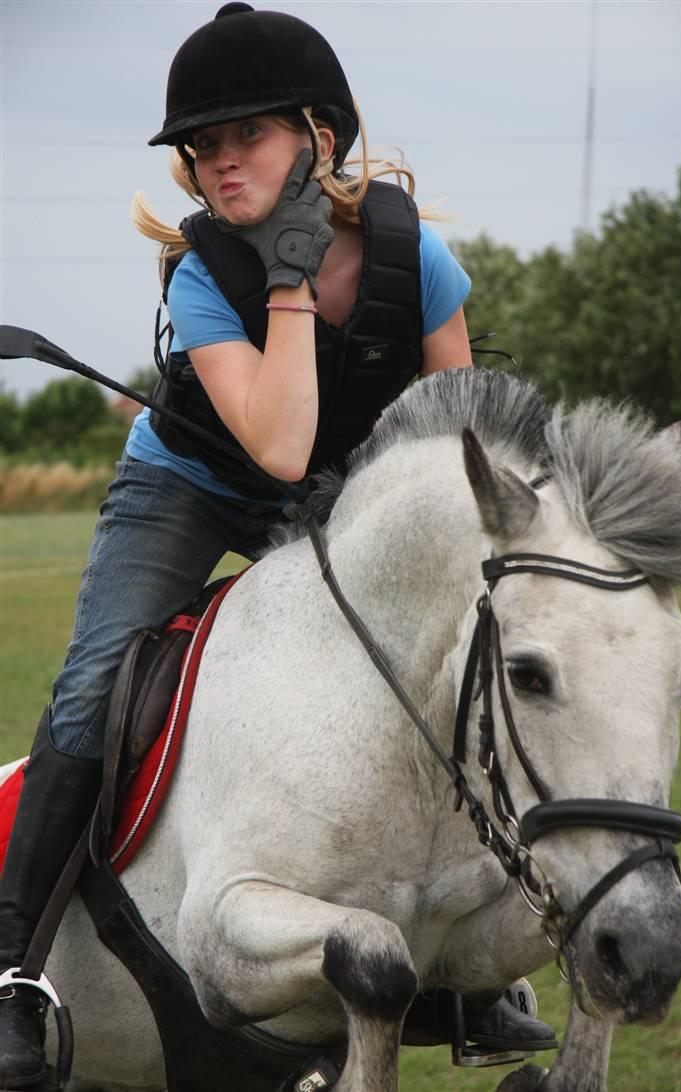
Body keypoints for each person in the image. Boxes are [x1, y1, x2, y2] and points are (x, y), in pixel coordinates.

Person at [0, 4, 555, 1086]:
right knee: (89, 687)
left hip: (335, 498)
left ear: (320, 137)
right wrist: (291, 280)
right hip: (190, 489)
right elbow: (281, 446)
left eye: (241, 136)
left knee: (446, 670)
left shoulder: (415, 256)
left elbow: (456, 431)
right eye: (199, 148)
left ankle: (472, 970)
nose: (215, 163)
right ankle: (14, 974)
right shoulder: (205, 275)